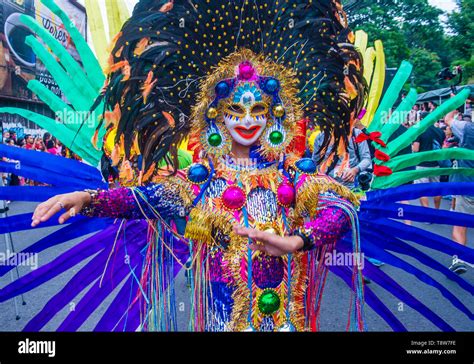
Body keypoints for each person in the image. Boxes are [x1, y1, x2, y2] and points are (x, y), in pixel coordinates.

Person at [28, 0, 368, 332]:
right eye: (236, 111)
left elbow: (340, 208)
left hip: (285, 320)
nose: (247, 120)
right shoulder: (201, 182)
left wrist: (298, 241)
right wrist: (88, 199)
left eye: (258, 111)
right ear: (217, 116)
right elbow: (142, 200)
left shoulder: (293, 174)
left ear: (272, 116)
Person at [444, 110, 474, 274]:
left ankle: (459, 259)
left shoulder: (467, 129)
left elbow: (448, 119)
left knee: (460, 223)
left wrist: (454, 103)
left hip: (467, 186)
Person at [412, 124, 445, 209]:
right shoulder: (440, 131)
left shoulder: (420, 131)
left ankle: (427, 213)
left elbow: (416, 149)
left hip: (422, 164)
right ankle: (436, 211)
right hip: (436, 164)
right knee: (437, 189)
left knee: (421, 189)